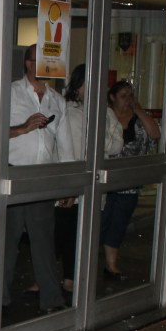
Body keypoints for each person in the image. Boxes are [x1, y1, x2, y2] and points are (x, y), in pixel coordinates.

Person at [3, 44, 74, 314]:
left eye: (48, 61)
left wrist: (68, 184)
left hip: (43, 176)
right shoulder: (10, 93)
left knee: (44, 241)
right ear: (28, 63)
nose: (43, 65)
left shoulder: (57, 99)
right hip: (15, 173)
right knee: (7, 242)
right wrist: (23, 128)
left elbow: (65, 145)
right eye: (38, 60)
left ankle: (52, 299)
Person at [55, 63, 123, 291]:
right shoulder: (67, 110)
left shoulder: (104, 112)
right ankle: (65, 278)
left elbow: (115, 146)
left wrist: (99, 135)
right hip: (71, 180)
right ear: (78, 85)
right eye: (89, 83)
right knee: (66, 232)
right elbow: (67, 149)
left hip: (94, 181)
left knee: (86, 233)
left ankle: (73, 277)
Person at [102, 80, 161, 279]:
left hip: (129, 181)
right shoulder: (105, 116)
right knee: (101, 221)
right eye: (123, 96)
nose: (127, 100)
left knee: (118, 222)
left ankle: (111, 264)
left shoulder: (137, 119)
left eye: (130, 95)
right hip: (104, 179)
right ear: (112, 97)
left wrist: (139, 110)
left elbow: (155, 133)